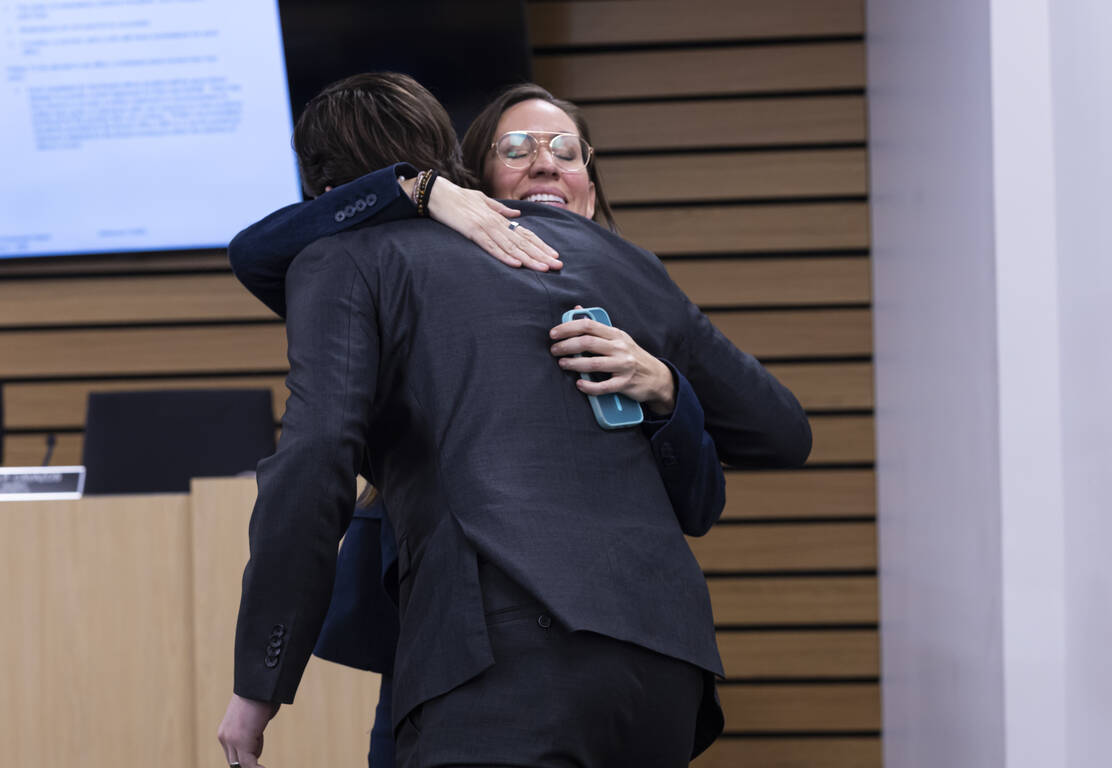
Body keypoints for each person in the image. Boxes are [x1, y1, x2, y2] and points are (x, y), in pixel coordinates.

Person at [218, 73, 811, 768]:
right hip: (664, 671)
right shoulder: (622, 262)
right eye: (520, 148)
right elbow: (787, 435)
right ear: (466, 169)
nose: (545, 164)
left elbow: (316, 457)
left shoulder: (347, 259)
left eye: (565, 148)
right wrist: (416, 188)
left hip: (498, 660)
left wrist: (260, 683)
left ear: (320, 188)